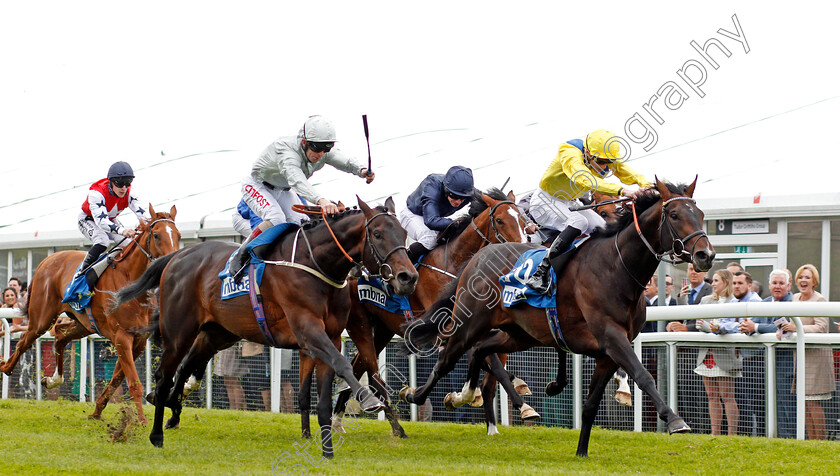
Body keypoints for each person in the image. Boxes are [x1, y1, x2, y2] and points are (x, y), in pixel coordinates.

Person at [229, 115, 375, 282]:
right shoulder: (287, 152)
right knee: (276, 218)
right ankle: (242, 254)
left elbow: (343, 160)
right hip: (257, 185)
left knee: (302, 223)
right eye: (317, 148)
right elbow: (297, 180)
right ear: (304, 142)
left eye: (325, 149)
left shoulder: (320, 150)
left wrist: (362, 170)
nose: (320, 154)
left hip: (283, 189)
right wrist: (322, 200)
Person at [525, 129, 650, 294]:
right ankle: (541, 272)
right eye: (602, 161)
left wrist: (647, 185)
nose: (605, 166)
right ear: (589, 153)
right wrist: (622, 191)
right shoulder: (569, 152)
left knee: (604, 228)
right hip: (544, 202)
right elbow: (584, 179)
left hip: (568, 201)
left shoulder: (598, 154)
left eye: (608, 161)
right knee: (579, 222)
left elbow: (625, 171)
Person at [778, 264, 833, 440]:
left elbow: (821, 327)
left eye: (807, 277)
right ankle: (811, 441)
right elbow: (792, 324)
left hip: (816, 358)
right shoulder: (794, 298)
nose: (803, 280)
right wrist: (784, 330)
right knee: (803, 402)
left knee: (813, 402)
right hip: (800, 357)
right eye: (801, 277)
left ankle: (821, 442)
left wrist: (796, 327)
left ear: (814, 281)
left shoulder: (819, 300)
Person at [77, 161, 149, 290]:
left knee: (129, 244)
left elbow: (142, 215)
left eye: (127, 184)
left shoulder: (129, 193)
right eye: (120, 183)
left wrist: (150, 224)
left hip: (110, 219)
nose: (124, 188)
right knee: (102, 241)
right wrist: (122, 231)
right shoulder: (96, 193)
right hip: (89, 220)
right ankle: (81, 275)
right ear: (111, 182)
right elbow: (101, 222)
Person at [694, 269, 740, 436]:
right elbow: (695, 319)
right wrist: (702, 327)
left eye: (716, 280)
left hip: (725, 355)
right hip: (706, 354)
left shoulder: (735, 303)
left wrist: (711, 328)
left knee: (727, 395)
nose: (712, 284)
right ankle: (715, 433)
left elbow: (731, 328)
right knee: (712, 395)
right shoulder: (705, 300)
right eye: (712, 281)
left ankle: (731, 435)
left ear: (726, 282)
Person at [400, 165, 476, 263]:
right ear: (446, 189)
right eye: (455, 196)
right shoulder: (432, 186)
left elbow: (485, 200)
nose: (458, 202)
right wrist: (455, 224)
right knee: (430, 239)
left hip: (435, 218)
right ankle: (403, 264)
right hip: (412, 215)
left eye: (462, 198)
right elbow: (431, 221)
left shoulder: (467, 192)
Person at [731, 271, 767, 436]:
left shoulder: (754, 301)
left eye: (740, 283)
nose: (736, 286)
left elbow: (745, 327)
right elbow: (727, 324)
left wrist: (721, 328)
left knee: (759, 403)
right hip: (744, 358)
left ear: (750, 286)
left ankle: (762, 435)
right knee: (750, 402)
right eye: (734, 283)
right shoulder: (734, 301)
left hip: (757, 358)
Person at [763, 269, 796, 438]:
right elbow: (754, 322)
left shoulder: (792, 301)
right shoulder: (765, 302)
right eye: (774, 283)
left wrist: (755, 328)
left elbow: (780, 326)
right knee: (772, 400)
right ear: (769, 285)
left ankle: (788, 437)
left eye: (781, 283)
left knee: (786, 402)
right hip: (767, 361)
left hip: (787, 360)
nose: (777, 286)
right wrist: (754, 326)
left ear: (789, 285)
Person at [213, 342, 247, 410]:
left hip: (231, 350)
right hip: (222, 350)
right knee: (227, 383)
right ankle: (232, 408)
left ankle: (239, 409)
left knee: (234, 382)